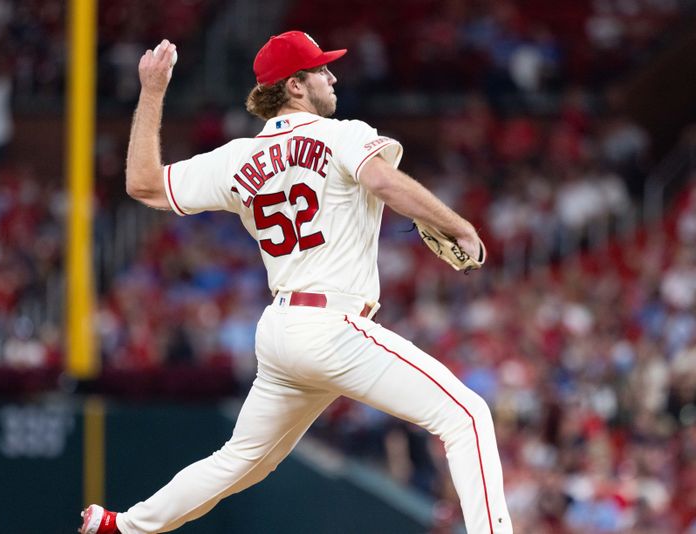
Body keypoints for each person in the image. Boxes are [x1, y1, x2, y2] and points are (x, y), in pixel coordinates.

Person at [80, 31, 513, 534]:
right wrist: (460, 226)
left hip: (282, 330)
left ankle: (119, 526)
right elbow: (383, 182)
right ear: (296, 86)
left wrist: (153, 90)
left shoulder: (236, 157)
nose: (332, 76)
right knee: (467, 415)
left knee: (240, 460)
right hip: (332, 325)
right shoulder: (343, 134)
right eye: (321, 69)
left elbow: (143, 183)